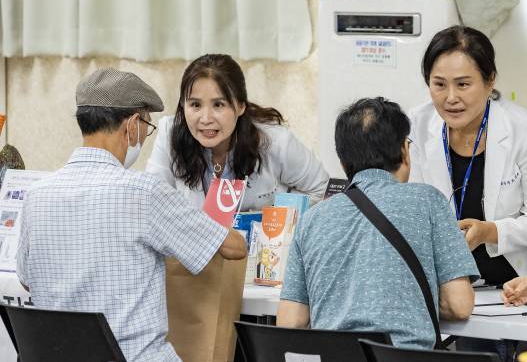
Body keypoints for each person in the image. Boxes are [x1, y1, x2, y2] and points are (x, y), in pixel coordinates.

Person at [16, 68, 247, 362]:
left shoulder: (37, 194)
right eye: (147, 127)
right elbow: (234, 248)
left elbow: (26, 281)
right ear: (133, 125)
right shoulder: (143, 193)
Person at [277, 97, 479, 349]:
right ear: (405, 151)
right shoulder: (429, 201)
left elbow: (290, 321)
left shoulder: (311, 219)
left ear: (343, 162)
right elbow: (459, 304)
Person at [408, 25, 527, 285]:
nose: (451, 98)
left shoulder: (525, 131)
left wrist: (489, 232)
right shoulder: (416, 125)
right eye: (439, 85)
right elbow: (412, 208)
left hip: (520, 280)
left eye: (463, 85)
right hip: (453, 282)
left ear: (489, 81)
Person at [146, 54, 329, 210]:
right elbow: (153, 202)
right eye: (195, 105)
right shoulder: (170, 133)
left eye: (218, 105)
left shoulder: (276, 141)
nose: (206, 118)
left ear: (241, 106)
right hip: (197, 249)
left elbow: (323, 189)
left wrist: (275, 219)